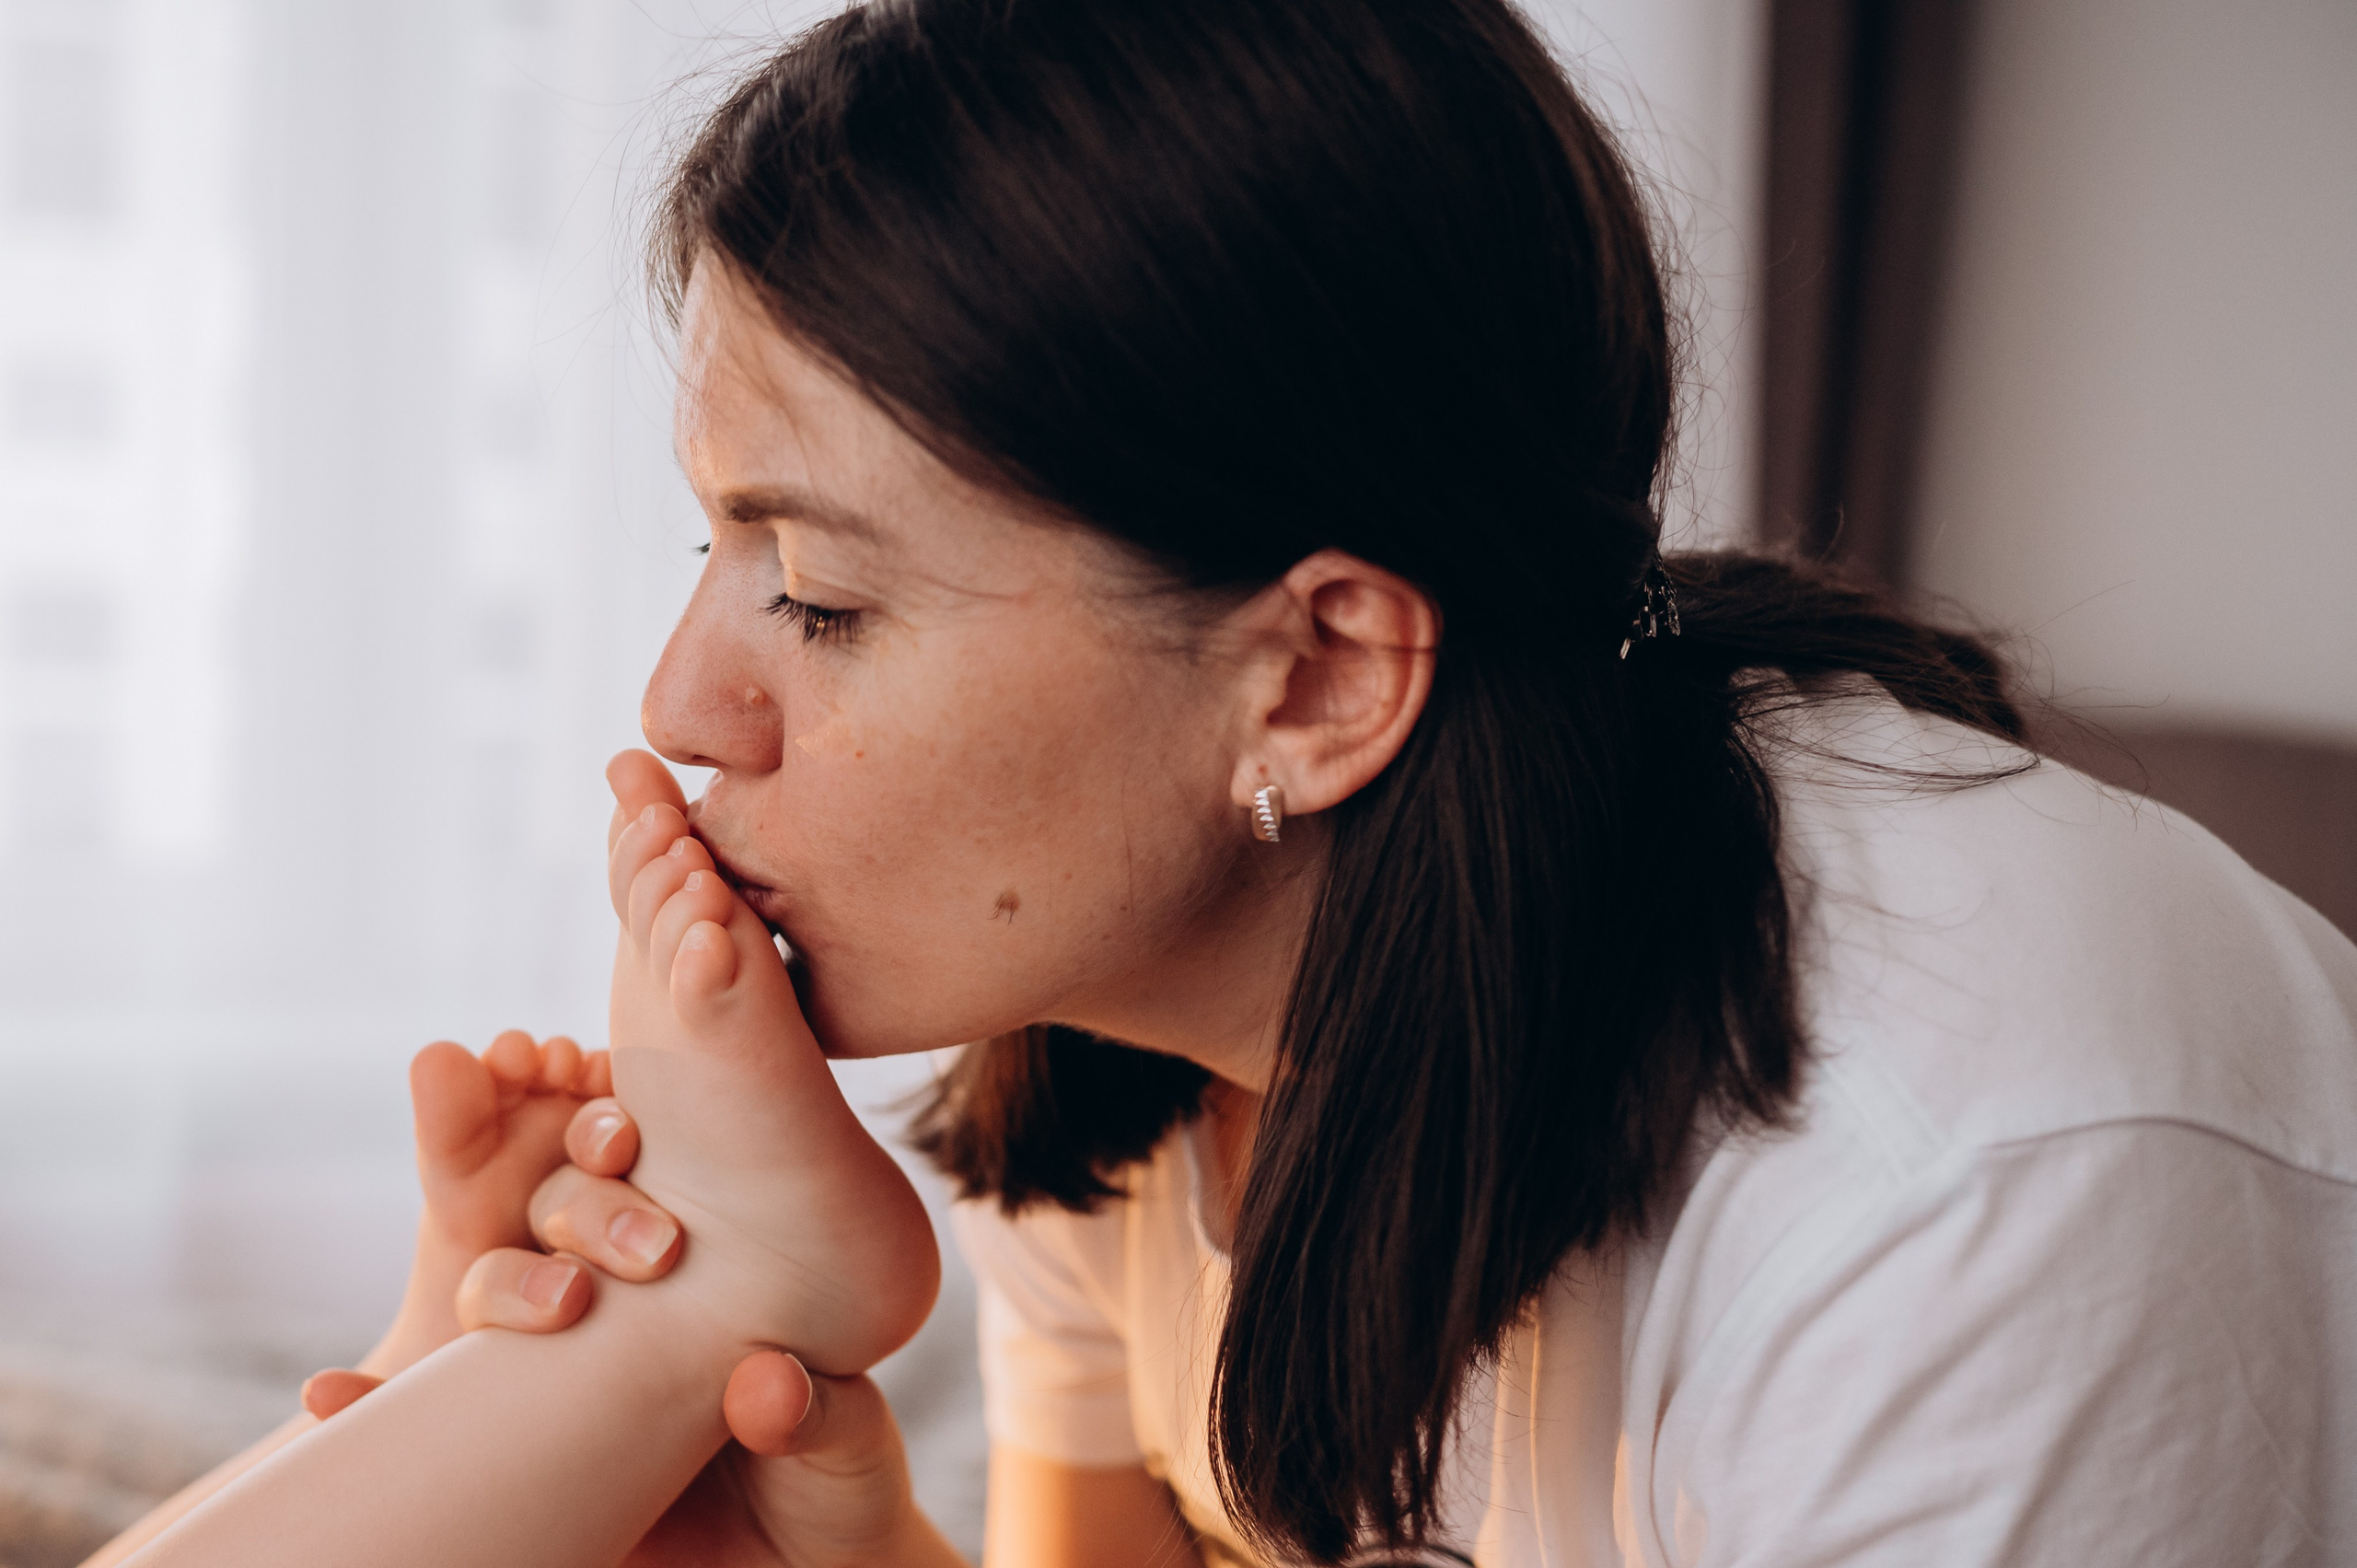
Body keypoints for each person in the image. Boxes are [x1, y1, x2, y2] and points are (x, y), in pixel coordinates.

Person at [91, 0, 2357, 1562]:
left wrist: (695, 1315)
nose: (682, 699)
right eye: (715, 547)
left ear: (1312, 683)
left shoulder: (1982, 1187)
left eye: (826, 598)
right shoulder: (1127, 1025)